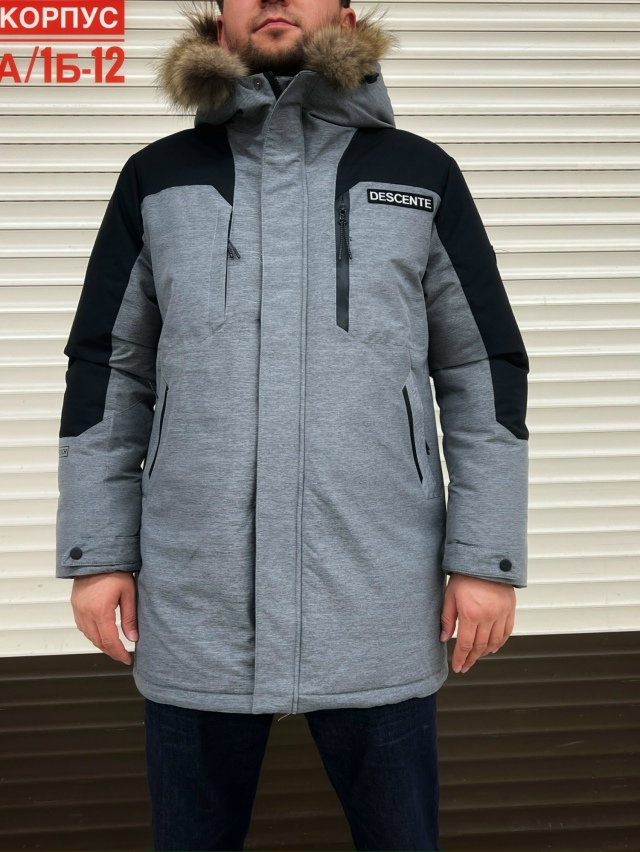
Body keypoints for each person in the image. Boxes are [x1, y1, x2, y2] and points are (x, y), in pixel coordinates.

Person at [55, 0, 530, 849]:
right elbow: (109, 370)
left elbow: (480, 367)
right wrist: (99, 553)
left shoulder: (420, 172)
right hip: (196, 595)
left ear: (342, 12)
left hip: (379, 593)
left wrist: (484, 557)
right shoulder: (156, 177)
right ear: (220, 21)